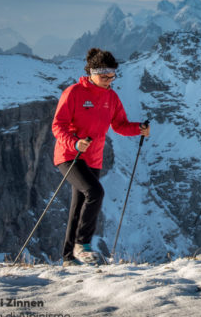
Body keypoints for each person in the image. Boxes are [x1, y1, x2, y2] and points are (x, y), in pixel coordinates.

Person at [52, 48, 150, 265]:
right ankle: (83, 245)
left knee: (79, 205)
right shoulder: (74, 92)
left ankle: (69, 258)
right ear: (91, 73)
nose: (108, 81)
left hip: (93, 158)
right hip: (70, 155)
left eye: (112, 76)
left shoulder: (111, 97)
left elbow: (120, 125)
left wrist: (138, 128)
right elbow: (58, 126)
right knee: (95, 192)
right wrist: (75, 142)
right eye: (104, 76)